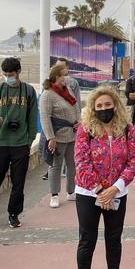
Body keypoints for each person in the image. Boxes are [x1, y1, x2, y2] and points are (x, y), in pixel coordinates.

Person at [73, 86, 135, 269]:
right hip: (88, 193)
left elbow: (132, 161)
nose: (103, 109)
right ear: (93, 108)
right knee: (87, 239)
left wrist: (116, 188)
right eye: (99, 106)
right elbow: (81, 161)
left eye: (107, 105)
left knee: (113, 237)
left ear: (115, 106)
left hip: (118, 192)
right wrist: (100, 191)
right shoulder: (85, 129)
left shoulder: (128, 130)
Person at [0, 57, 38, 230]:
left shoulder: (28, 91)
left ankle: (14, 214)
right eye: (4, 74)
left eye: (10, 74)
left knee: (18, 183)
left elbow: (33, 119)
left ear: (18, 72)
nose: (7, 77)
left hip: (20, 144)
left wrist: (28, 140)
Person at [40, 63, 80, 208]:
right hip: (58, 136)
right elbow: (45, 118)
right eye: (65, 74)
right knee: (55, 166)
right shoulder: (47, 94)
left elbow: (75, 107)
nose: (67, 77)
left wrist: (78, 121)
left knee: (73, 165)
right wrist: (51, 138)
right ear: (57, 76)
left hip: (72, 134)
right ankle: (54, 194)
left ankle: (71, 191)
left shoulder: (67, 89)